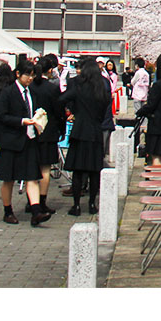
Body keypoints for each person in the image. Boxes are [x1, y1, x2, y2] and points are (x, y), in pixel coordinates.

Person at [0, 60, 51, 226]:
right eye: (27, 75)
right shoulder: (8, 92)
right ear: (18, 74)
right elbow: (0, 116)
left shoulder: (31, 93)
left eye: (32, 75)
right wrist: (22, 121)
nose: (30, 79)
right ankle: (7, 210)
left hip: (29, 139)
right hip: (12, 140)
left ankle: (36, 211)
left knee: (32, 177)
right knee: (8, 179)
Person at [59, 58, 109, 216]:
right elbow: (105, 108)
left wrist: (71, 112)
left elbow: (61, 99)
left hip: (80, 131)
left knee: (78, 171)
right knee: (94, 171)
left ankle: (76, 205)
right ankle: (92, 204)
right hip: (95, 131)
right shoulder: (102, 88)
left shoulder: (79, 87)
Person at [29, 58, 63, 215]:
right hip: (48, 131)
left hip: (30, 131)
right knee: (45, 168)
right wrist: (61, 129)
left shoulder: (28, 87)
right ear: (50, 70)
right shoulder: (52, 88)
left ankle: (31, 201)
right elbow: (59, 111)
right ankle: (41, 201)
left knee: (31, 167)